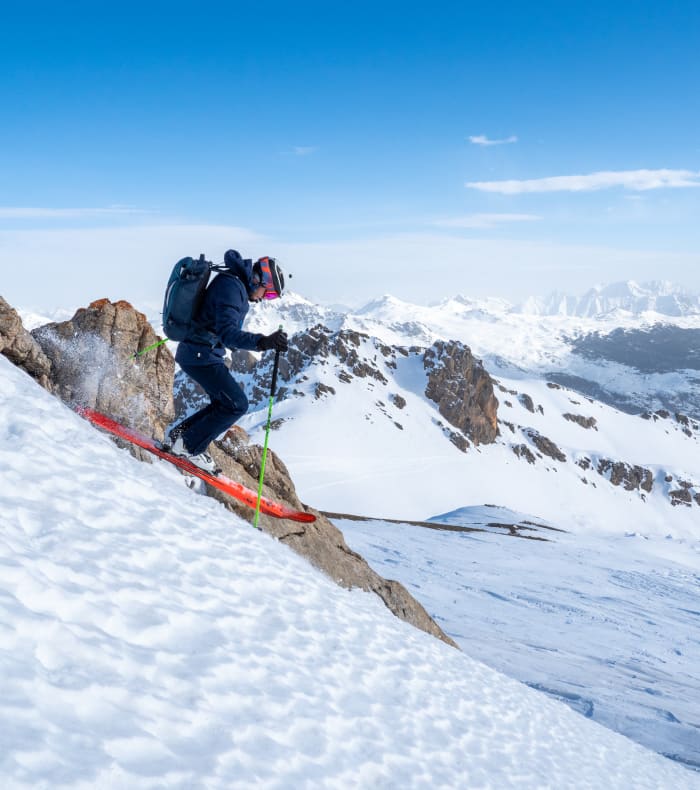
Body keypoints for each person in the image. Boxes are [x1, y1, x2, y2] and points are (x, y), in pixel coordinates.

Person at [165, 249, 288, 473]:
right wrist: (264, 342)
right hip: (199, 355)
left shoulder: (234, 284)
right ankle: (189, 446)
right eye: (268, 294)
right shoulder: (232, 288)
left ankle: (178, 438)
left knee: (224, 404)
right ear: (260, 279)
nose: (263, 299)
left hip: (202, 353)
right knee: (237, 404)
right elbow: (227, 333)